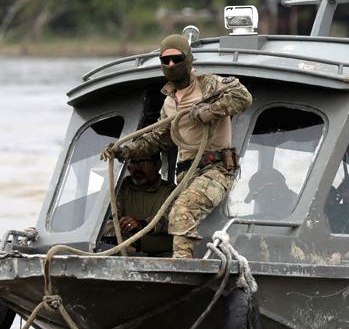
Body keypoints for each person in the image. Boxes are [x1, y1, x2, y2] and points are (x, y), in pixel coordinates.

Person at [102, 34, 253, 258]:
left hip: (216, 170)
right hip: (186, 174)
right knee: (168, 215)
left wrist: (208, 111)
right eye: (166, 60)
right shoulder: (169, 102)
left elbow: (243, 97)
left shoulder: (208, 85)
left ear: (188, 60)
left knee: (183, 210)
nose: (171, 65)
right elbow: (157, 139)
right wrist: (123, 151)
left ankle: (182, 264)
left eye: (176, 58)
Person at [99, 155, 175, 255]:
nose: (137, 168)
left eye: (143, 162)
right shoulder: (120, 189)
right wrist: (122, 226)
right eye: (133, 162)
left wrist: (141, 224)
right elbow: (105, 221)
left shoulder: (171, 191)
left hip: (163, 257)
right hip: (125, 254)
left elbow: (172, 221)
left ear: (157, 165)